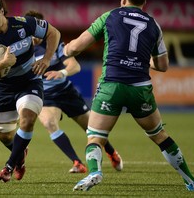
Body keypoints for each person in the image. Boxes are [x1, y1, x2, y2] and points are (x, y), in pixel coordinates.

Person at [65, 0, 194, 192]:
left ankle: (95, 172)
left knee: (95, 137)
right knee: (160, 136)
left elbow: (76, 47)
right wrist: (145, 61)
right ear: (144, 1)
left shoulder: (110, 16)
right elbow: (162, 65)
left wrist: (66, 49)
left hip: (112, 85)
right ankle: (190, 180)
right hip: (140, 88)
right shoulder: (154, 25)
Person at [0, 0, 61, 182]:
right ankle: (19, 156)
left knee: (27, 119)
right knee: (4, 136)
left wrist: (45, 59)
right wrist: (2, 63)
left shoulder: (24, 23)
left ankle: (9, 167)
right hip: (4, 88)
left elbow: (54, 33)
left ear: (2, 11)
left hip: (30, 82)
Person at [25, 10, 123, 174]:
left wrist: (61, 73)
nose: (34, 35)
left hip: (66, 91)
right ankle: (78, 163)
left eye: (38, 30)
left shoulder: (53, 42)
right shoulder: (23, 48)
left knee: (92, 128)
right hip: (45, 95)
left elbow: (74, 65)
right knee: (49, 123)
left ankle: (111, 152)